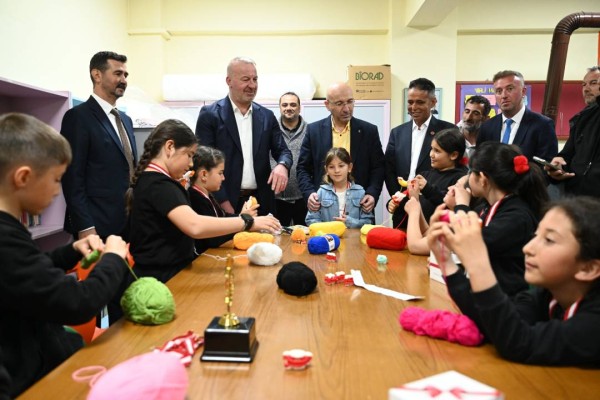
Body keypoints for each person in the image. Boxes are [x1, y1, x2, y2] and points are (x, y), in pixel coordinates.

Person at [0, 113, 130, 397]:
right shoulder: (5, 238)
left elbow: (27, 274)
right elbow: (78, 302)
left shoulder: (10, 234)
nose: (58, 191)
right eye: (57, 179)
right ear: (23, 177)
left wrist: (69, 253)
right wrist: (113, 259)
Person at [428, 196, 600, 366]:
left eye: (549, 240)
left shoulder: (594, 323)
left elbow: (519, 343)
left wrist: (477, 262)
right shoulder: (548, 295)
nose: (527, 248)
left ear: (589, 269)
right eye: (535, 236)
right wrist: (446, 262)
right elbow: (495, 324)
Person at [126, 119, 281, 284]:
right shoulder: (159, 184)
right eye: (189, 155)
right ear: (170, 147)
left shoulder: (153, 181)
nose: (191, 164)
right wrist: (247, 221)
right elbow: (195, 226)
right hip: (162, 280)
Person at [444, 141, 549, 297]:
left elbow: (470, 244)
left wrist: (461, 206)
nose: (467, 178)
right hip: (485, 292)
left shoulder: (517, 215)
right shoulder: (486, 206)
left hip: (507, 300)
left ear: (482, 179)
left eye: (471, 172)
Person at [195, 57, 292, 216]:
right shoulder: (210, 115)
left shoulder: (267, 116)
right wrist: (223, 203)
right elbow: (202, 162)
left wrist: (283, 165)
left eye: (255, 79)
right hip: (225, 202)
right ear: (229, 81)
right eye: (246, 79)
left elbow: (283, 151)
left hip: (261, 203)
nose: (252, 85)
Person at [61, 51, 137, 240]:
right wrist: (85, 225)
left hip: (129, 223)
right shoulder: (78, 117)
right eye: (118, 74)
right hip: (96, 226)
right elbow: (72, 178)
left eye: (125, 75)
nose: (124, 80)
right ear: (97, 75)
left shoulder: (126, 120)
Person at [297, 82, 385, 215]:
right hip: (322, 208)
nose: (346, 109)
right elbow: (302, 168)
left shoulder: (369, 131)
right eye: (339, 103)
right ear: (327, 105)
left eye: (350, 102)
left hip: (360, 208)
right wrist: (309, 193)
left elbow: (378, 168)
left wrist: (372, 193)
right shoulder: (313, 131)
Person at [384, 78, 456, 209]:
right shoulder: (397, 132)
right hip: (401, 205)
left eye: (420, 102)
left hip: (432, 206)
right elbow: (389, 169)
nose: (414, 107)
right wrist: (397, 197)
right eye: (410, 102)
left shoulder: (448, 131)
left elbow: (453, 171)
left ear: (433, 102)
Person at [388, 128, 468, 244]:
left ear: (454, 155)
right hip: (413, 235)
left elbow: (449, 202)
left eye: (437, 151)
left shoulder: (461, 179)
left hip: (439, 240)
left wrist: (427, 189)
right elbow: (410, 201)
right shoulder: (425, 175)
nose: (431, 154)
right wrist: (396, 203)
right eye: (431, 149)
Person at [188, 146, 258, 254]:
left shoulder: (208, 195)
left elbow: (223, 217)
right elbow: (212, 238)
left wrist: (242, 216)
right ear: (204, 175)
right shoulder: (195, 198)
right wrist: (244, 222)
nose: (223, 178)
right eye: (220, 173)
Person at [477, 70, 557, 162]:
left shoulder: (543, 125)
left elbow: (546, 166)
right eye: (499, 91)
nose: (504, 95)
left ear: (523, 91)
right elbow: (480, 162)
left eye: (510, 89)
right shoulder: (487, 127)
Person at [546, 66, 600, 197]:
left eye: (593, 83)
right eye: (583, 85)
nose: (586, 89)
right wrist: (559, 167)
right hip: (577, 197)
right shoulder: (580, 119)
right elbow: (567, 155)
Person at [305, 147, 374, 228]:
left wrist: (350, 222)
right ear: (326, 170)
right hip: (328, 235)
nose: (336, 170)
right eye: (331, 167)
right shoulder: (321, 192)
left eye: (341, 166)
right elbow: (311, 220)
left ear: (349, 167)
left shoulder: (360, 192)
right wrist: (328, 227)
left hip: (353, 236)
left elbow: (368, 222)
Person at [270, 92, 308, 226]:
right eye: (284, 105)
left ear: (299, 108)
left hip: (303, 197)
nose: (288, 108)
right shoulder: (270, 131)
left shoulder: (310, 131)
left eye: (293, 105)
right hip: (276, 198)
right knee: (277, 234)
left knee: (304, 235)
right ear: (280, 108)